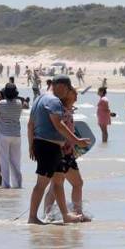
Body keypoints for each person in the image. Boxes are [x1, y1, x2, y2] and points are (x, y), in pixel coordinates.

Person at [26, 75, 89, 225]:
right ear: (61, 86)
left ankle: (65, 215)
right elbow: (59, 125)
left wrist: (31, 145)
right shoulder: (53, 100)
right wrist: (77, 140)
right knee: (42, 183)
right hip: (48, 146)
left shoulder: (39, 99)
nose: (66, 93)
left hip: (49, 146)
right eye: (67, 89)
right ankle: (32, 217)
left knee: (58, 181)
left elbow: (30, 125)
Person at [0, 83, 24, 189]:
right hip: (16, 134)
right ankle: (18, 184)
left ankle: (6, 184)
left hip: (2, 133)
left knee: (4, 160)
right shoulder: (19, 103)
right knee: (16, 160)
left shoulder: (2, 103)